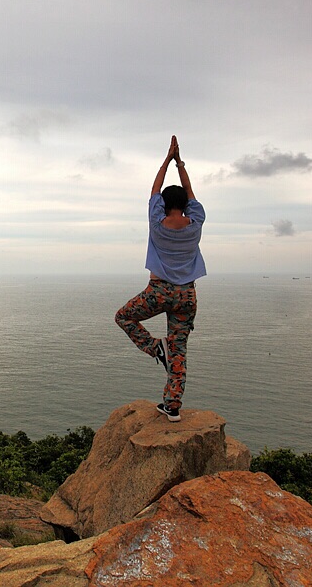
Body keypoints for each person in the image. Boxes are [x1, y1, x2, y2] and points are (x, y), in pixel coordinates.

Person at [114, 135, 206, 422]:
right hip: (187, 295)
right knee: (179, 350)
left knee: (124, 317)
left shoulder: (157, 223)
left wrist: (167, 159)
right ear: (186, 206)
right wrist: (181, 164)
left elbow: (155, 189)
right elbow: (190, 192)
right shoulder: (196, 222)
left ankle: (155, 347)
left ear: (163, 205)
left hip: (160, 291)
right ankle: (172, 406)